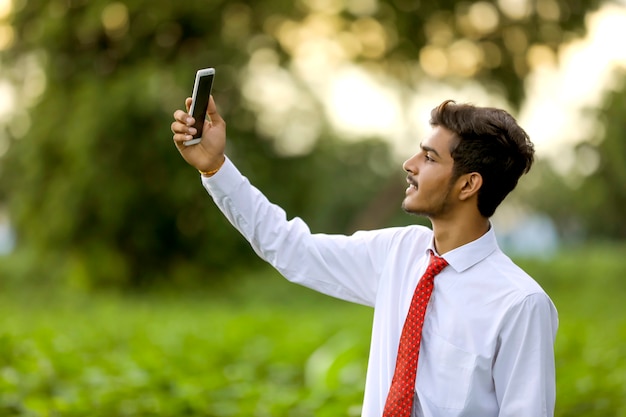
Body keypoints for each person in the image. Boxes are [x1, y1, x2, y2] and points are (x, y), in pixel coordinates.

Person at [171, 95, 558, 417]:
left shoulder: (520, 304)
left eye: (430, 158)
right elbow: (292, 248)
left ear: (469, 184)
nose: (410, 165)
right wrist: (215, 168)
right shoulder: (398, 253)